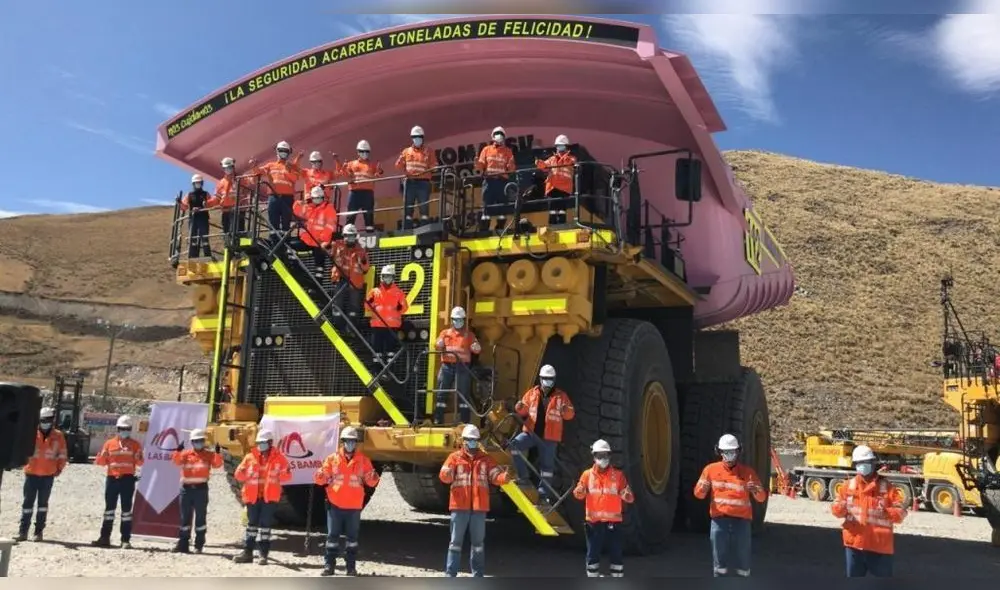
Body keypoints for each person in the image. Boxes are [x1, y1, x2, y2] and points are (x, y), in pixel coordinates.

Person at [438, 424, 510, 577]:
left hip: (478, 508)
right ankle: (450, 576)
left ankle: (478, 576)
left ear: (478, 441)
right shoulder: (454, 458)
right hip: (459, 507)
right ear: (463, 440)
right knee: (455, 544)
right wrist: (448, 474)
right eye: (469, 440)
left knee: (478, 545)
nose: (472, 442)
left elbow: (495, 475)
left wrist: (504, 478)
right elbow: (444, 475)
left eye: (474, 440)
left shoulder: (486, 460)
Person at [693, 433, 768, 577]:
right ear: (719, 452)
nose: (729, 455)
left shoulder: (748, 473)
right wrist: (703, 488)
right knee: (719, 562)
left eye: (732, 452)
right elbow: (698, 495)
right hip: (719, 521)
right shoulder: (710, 470)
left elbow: (761, 498)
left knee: (743, 560)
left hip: (742, 522)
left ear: (738, 451)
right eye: (725, 452)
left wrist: (756, 490)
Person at [831, 444, 908, 577]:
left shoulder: (887, 487)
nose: (862, 466)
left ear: (873, 463)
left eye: (865, 462)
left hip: (880, 548)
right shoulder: (848, 486)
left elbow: (901, 514)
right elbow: (835, 509)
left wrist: (887, 512)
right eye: (859, 463)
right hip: (854, 546)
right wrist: (840, 508)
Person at [313, 426, 380, 576]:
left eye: (353, 441)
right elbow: (320, 479)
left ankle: (351, 568)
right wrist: (320, 475)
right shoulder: (332, 459)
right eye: (347, 441)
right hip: (335, 504)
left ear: (356, 443)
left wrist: (374, 478)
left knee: (352, 539)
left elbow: (371, 481)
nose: (350, 444)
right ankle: (329, 566)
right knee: (332, 538)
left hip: (354, 506)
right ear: (342, 442)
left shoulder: (363, 460)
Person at [510, 364, 575, 502]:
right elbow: (524, 411)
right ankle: (523, 477)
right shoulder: (532, 393)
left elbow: (570, 414)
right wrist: (519, 408)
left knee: (547, 467)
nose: (547, 381)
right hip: (531, 433)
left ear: (554, 379)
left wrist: (565, 410)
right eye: (545, 378)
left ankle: (544, 494)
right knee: (515, 446)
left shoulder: (561, 396)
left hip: (549, 437)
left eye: (550, 378)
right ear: (540, 378)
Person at [572, 439, 634, 578]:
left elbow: (630, 497)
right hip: (593, 522)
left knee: (616, 553)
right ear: (594, 457)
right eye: (599, 455)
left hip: (614, 523)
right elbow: (578, 494)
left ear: (610, 456)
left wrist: (627, 495)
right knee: (592, 553)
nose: (602, 459)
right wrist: (579, 491)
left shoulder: (618, 476)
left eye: (605, 455)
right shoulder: (587, 475)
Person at [232, 430, 291, 565]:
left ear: (270, 443)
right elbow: (238, 475)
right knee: (251, 525)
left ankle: (263, 555)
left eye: (263, 443)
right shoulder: (249, 457)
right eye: (259, 443)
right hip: (252, 498)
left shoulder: (279, 458)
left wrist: (284, 473)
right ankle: (247, 553)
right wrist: (241, 471)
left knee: (265, 526)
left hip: (269, 498)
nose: (261, 445)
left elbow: (287, 476)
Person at [17, 406, 68, 542]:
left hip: (47, 475)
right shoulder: (31, 433)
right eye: (43, 420)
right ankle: (23, 532)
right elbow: (22, 450)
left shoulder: (58, 436)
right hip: (31, 474)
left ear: (52, 420)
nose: (46, 422)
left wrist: (59, 469)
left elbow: (63, 454)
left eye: (48, 420)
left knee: (42, 505)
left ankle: (38, 532)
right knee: (27, 504)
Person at [92, 415, 144, 549]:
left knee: (126, 511)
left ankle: (125, 540)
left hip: (127, 480)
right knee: (109, 510)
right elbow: (101, 462)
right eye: (122, 428)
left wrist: (139, 457)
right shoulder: (109, 444)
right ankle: (104, 538)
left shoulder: (135, 445)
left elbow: (140, 462)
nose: (125, 431)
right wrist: (100, 458)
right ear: (118, 429)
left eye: (127, 429)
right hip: (112, 480)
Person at [170, 428, 224, 554]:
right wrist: (178, 451)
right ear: (192, 442)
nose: (198, 442)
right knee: (185, 518)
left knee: (200, 518)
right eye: (196, 441)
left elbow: (217, 465)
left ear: (204, 441)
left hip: (201, 490)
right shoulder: (185, 454)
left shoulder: (209, 455)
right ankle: (183, 544)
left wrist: (217, 453)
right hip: (186, 490)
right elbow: (176, 462)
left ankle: (198, 545)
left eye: (200, 440)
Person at [433, 306, 482, 425]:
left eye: (460, 319)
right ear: (451, 320)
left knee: (463, 395)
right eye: (455, 319)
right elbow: (437, 344)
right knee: (441, 394)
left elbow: (477, 349)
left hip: (463, 367)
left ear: (464, 320)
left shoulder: (469, 335)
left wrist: (477, 348)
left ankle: (465, 421)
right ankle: (438, 420)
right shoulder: (445, 333)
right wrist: (438, 343)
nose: (458, 322)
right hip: (447, 367)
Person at [248, 140, 303, 240]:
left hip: (287, 198)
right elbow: (259, 172)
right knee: (273, 221)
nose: (283, 152)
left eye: (285, 151)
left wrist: (288, 169)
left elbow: (295, 178)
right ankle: (274, 243)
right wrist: (254, 166)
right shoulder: (270, 165)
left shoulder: (292, 167)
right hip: (273, 198)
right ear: (277, 151)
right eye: (281, 150)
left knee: (286, 222)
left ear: (289, 153)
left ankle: (285, 244)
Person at [365, 264, 408, 367]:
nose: (387, 278)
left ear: (393, 278)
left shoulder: (399, 293)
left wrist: (400, 307)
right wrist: (369, 302)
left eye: (389, 276)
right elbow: (366, 306)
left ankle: (390, 370)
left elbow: (405, 307)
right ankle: (377, 370)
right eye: (385, 276)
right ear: (381, 277)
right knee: (377, 350)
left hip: (391, 326)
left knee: (391, 350)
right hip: (377, 325)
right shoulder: (374, 292)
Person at [395, 125, 437, 229]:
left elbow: (435, 167)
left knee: (424, 207)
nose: (417, 139)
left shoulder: (429, 151)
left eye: (419, 136)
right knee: (408, 207)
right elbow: (397, 166)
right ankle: (407, 228)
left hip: (423, 183)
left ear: (422, 137)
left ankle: (424, 227)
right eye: (415, 136)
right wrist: (400, 160)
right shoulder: (406, 151)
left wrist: (431, 168)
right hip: (410, 182)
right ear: (412, 138)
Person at [293, 186, 338, 282]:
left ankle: (318, 282)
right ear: (312, 198)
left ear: (323, 197)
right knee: (290, 245)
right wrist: (301, 202)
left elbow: (330, 226)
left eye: (319, 198)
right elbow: (296, 210)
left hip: (320, 242)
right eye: (315, 198)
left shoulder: (328, 208)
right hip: (308, 240)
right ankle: (294, 266)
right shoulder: (309, 208)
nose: (317, 200)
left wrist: (322, 238)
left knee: (319, 260)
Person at [475, 126, 516, 232]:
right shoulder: (486, 150)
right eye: (497, 134)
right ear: (493, 137)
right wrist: (477, 163)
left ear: (504, 137)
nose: (499, 136)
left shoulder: (508, 151)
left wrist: (511, 164)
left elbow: (511, 169)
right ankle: (484, 229)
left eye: (501, 134)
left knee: (502, 207)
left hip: (502, 182)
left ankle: (500, 228)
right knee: (487, 206)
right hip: (489, 182)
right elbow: (481, 165)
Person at [328, 224, 370, 319]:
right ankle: (337, 323)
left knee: (354, 304)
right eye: (348, 235)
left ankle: (352, 327)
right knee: (337, 302)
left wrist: (362, 262)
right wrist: (328, 242)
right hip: (340, 279)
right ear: (344, 236)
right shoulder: (337, 245)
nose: (350, 238)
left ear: (355, 236)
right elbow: (326, 251)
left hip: (354, 282)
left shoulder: (361, 250)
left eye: (352, 235)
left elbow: (366, 268)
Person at [341, 140, 384, 232]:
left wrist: (379, 171)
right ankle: (348, 234)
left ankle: (370, 233)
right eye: (362, 151)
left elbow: (377, 175)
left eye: (367, 151)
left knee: (369, 215)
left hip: (367, 193)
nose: (365, 153)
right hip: (354, 192)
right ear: (358, 152)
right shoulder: (351, 163)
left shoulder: (373, 164)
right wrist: (344, 168)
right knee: (351, 215)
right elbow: (347, 176)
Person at [534, 134, 577, 225]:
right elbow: (544, 166)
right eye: (558, 145)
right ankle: (553, 224)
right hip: (553, 187)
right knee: (552, 209)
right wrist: (539, 162)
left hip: (564, 188)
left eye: (561, 145)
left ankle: (561, 224)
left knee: (562, 209)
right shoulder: (552, 159)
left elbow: (574, 164)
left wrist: (565, 157)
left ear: (566, 146)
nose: (559, 147)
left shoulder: (571, 159)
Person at [211, 156, 251, 235]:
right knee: (227, 232)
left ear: (233, 167)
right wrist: (206, 204)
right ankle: (228, 247)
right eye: (225, 168)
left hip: (239, 210)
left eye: (229, 167)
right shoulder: (221, 183)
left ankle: (242, 246)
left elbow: (248, 191)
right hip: (226, 211)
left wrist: (243, 204)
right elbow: (216, 199)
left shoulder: (241, 179)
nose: (227, 169)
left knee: (239, 231)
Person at [181, 174, 212, 258]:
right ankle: (193, 257)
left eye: (199, 183)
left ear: (202, 183)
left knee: (205, 238)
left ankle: (207, 256)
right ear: (193, 184)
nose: (198, 184)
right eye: (196, 183)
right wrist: (179, 203)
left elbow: (211, 204)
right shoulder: (189, 195)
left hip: (203, 218)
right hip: (193, 219)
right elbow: (184, 206)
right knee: (193, 238)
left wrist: (204, 206)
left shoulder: (206, 194)